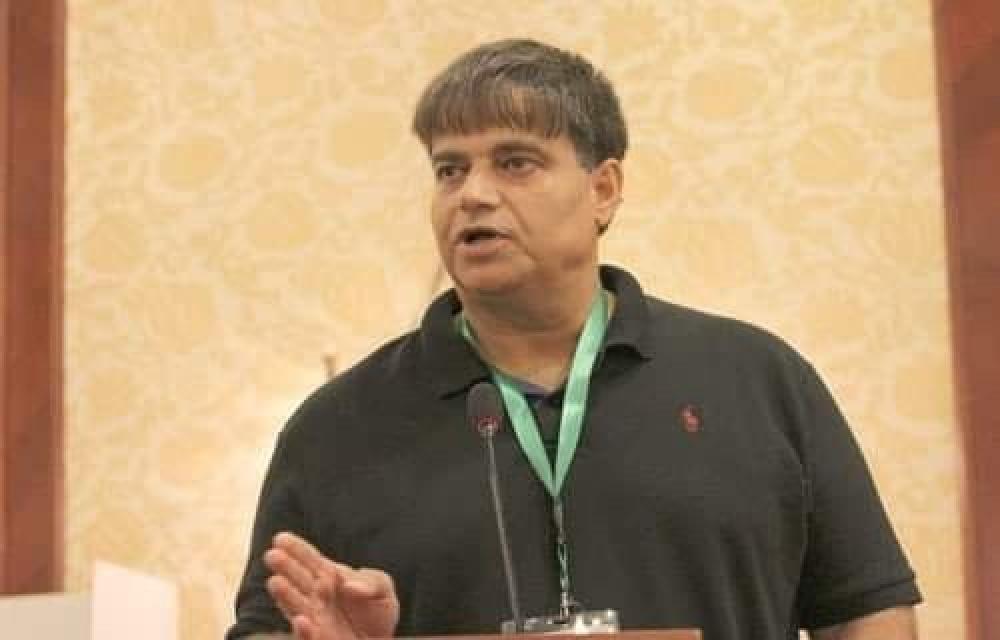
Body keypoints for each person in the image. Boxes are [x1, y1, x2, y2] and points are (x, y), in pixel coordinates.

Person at [227, 39, 920, 640]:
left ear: (604, 189)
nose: (473, 194)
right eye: (449, 169)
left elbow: (866, 610)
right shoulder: (337, 427)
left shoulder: (759, 380)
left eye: (515, 162)